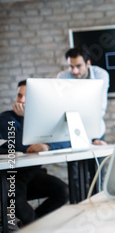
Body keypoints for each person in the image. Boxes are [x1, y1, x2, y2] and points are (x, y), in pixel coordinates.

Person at [0, 80, 69, 227]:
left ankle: (31, 226)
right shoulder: (6, 118)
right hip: (12, 176)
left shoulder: (42, 120)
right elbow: (19, 145)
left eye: (26, 97)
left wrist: (47, 145)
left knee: (64, 191)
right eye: (19, 96)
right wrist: (26, 118)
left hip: (34, 174)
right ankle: (36, 227)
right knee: (16, 201)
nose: (22, 100)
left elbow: (66, 141)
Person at [57, 46, 109, 144]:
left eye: (78, 66)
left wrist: (91, 139)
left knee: (101, 158)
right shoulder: (62, 77)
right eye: (71, 67)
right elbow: (62, 107)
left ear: (88, 63)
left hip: (95, 131)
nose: (74, 71)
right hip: (71, 132)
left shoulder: (101, 75)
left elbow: (100, 108)